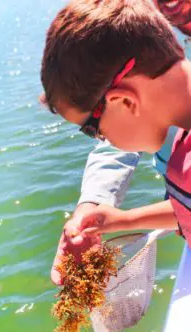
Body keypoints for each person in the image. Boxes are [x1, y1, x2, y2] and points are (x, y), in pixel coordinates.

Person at [41, 0, 191, 260]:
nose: (105, 140)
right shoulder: (179, 145)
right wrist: (122, 220)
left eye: (94, 131)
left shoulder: (183, 162)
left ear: (123, 101)